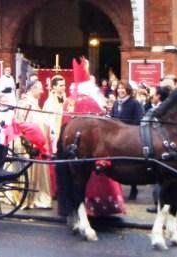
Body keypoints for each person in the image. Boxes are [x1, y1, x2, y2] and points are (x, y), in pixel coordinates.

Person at [57, 56, 125, 217]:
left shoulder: (69, 100)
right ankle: (98, 206)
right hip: (90, 148)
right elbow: (102, 125)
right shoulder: (89, 100)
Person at [15, 79, 53, 208]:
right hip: (28, 145)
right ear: (33, 89)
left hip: (37, 144)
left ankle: (36, 194)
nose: (42, 91)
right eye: (40, 88)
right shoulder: (26, 103)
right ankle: (26, 198)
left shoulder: (34, 104)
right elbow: (21, 124)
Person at [110, 81, 144, 200]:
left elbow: (139, 119)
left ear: (128, 90)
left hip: (130, 137)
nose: (121, 90)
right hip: (116, 137)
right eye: (119, 88)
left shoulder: (134, 103)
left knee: (130, 164)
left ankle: (133, 187)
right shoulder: (115, 103)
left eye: (123, 88)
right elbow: (112, 118)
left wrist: (127, 129)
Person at [43, 75, 66, 153]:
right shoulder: (49, 102)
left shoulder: (65, 99)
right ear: (54, 87)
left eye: (64, 85)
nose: (63, 87)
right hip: (54, 133)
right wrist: (52, 133)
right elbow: (47, 120)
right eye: (61, 85)